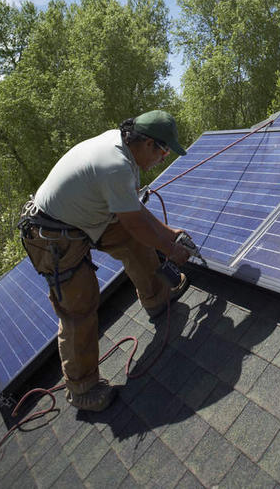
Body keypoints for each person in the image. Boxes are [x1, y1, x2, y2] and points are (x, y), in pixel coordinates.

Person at [18, 110, 192, 412]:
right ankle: (82, 389)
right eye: (163, 150)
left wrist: (167, 234)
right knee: (80, 305)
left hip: (86, 219)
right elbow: (136, 222)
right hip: (53, 236)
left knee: (134, 244)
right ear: (148, 143)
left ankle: (156, 297)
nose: (164, 158)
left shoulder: (123, 150)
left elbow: (133, 212)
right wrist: (170, 247)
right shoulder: (115, 165)